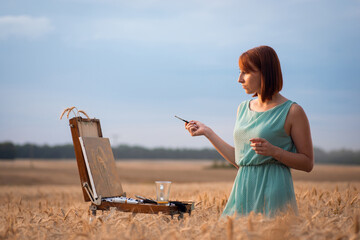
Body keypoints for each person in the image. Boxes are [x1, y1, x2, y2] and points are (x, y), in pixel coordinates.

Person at [185, 45, 314, 217]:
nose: (239, 79)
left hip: (274, 194)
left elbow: (307, 163)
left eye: (245, 72)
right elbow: (241, 160)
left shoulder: (293, 111)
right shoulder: (242, 109)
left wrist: (274, 151)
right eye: (240, 72)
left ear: (265, 73)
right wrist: (207, 132)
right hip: (242, 192)